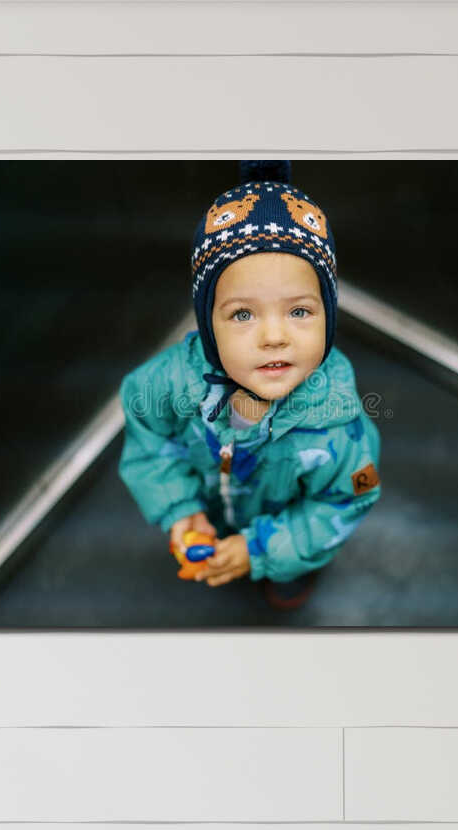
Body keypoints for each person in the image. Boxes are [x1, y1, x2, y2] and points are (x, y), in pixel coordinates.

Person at [115, 162, 382, 611]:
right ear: (207, 322)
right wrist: (181, 507)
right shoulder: (170, 384)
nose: (274, 336)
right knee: (217, 547)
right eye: (243, 314)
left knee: (293, 566)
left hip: (290, 535)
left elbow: (348, 500)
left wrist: (261, 552)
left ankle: (287, 575)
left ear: (329, 315)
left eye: (299, 311)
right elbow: (147, 440)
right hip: (213, 512)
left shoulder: (338, 426)